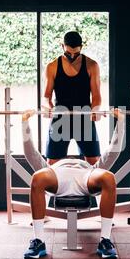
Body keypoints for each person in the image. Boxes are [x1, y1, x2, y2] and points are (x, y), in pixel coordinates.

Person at [21, 108, 125, 259]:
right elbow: (31, 153)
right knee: (37, 178)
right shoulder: (51, 167)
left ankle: (105, 241)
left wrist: (121, 122)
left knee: (109, 177)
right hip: (56, 178)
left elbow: (113, 151)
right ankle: (38, 242)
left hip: (86, 178)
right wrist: (24, 122)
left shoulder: (90, 167)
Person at [43, 31, 103, 166]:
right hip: (60, 118)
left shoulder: (92, 65)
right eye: (68, 53)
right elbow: (46, 96)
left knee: (94, 163)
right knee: (52, 164)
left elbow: (97, 95)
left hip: (83, 117)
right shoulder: (52, 66)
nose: (72, 56)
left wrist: (96, 109)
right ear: (62, 46)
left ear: (81, 48)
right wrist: (48, 107)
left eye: (75, 53)